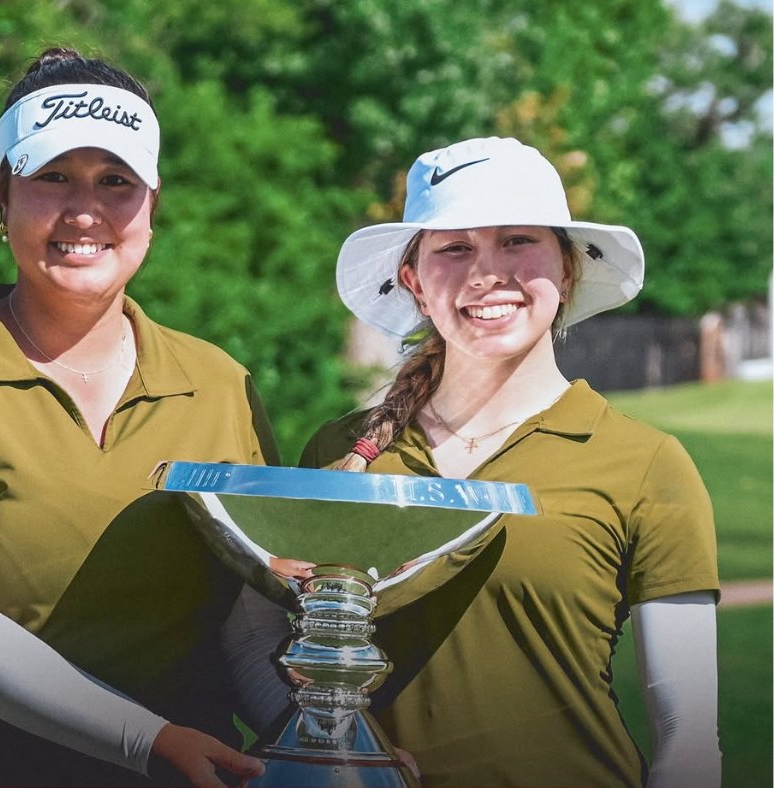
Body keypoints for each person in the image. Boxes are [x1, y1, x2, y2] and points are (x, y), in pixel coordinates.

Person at [0, 47, 278, 787]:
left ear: (153, 203)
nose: (84, 212)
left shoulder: (218, 382)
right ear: (1, 195)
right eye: (52, 178)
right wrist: (148, 740)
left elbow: (246, 631)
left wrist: (329, 744)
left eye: (116, 181)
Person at [298, 137, 721, 788]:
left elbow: (689, 738)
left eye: (518, 241)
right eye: (454, 248)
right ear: (413, 278)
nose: (486, 274)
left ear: (567, 267)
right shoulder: (341, 454)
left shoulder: (647, 465)